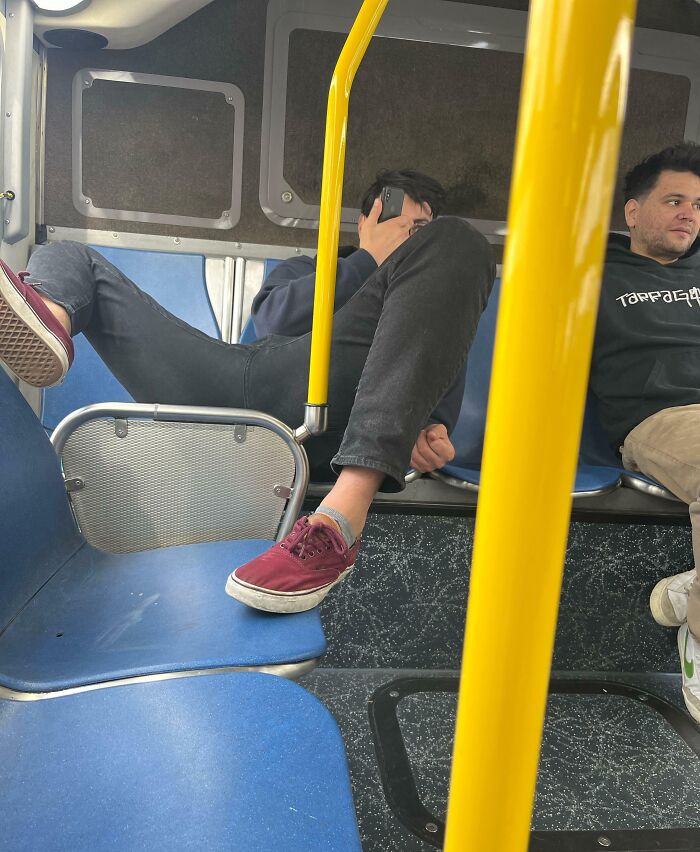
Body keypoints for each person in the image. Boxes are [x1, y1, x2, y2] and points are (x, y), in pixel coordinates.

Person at [0, 169, 495, 615]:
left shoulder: (429, 302)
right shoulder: (315, 267)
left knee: (460, 244)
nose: (413, 241)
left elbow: (434, 401)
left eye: (418, 233)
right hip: (246, 380)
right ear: (368, 220)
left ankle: (338, 524)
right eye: (408, 227)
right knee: (72, 257)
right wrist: (369, 259)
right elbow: (277, 317)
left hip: (340, 427)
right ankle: (50, 317)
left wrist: (432, 436)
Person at [590, 141, 700, 723]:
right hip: (658, 417)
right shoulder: (591, 273)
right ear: (633, 212)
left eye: (698, 205)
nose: (690, 213)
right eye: (675, 200)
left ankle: (690, 594)